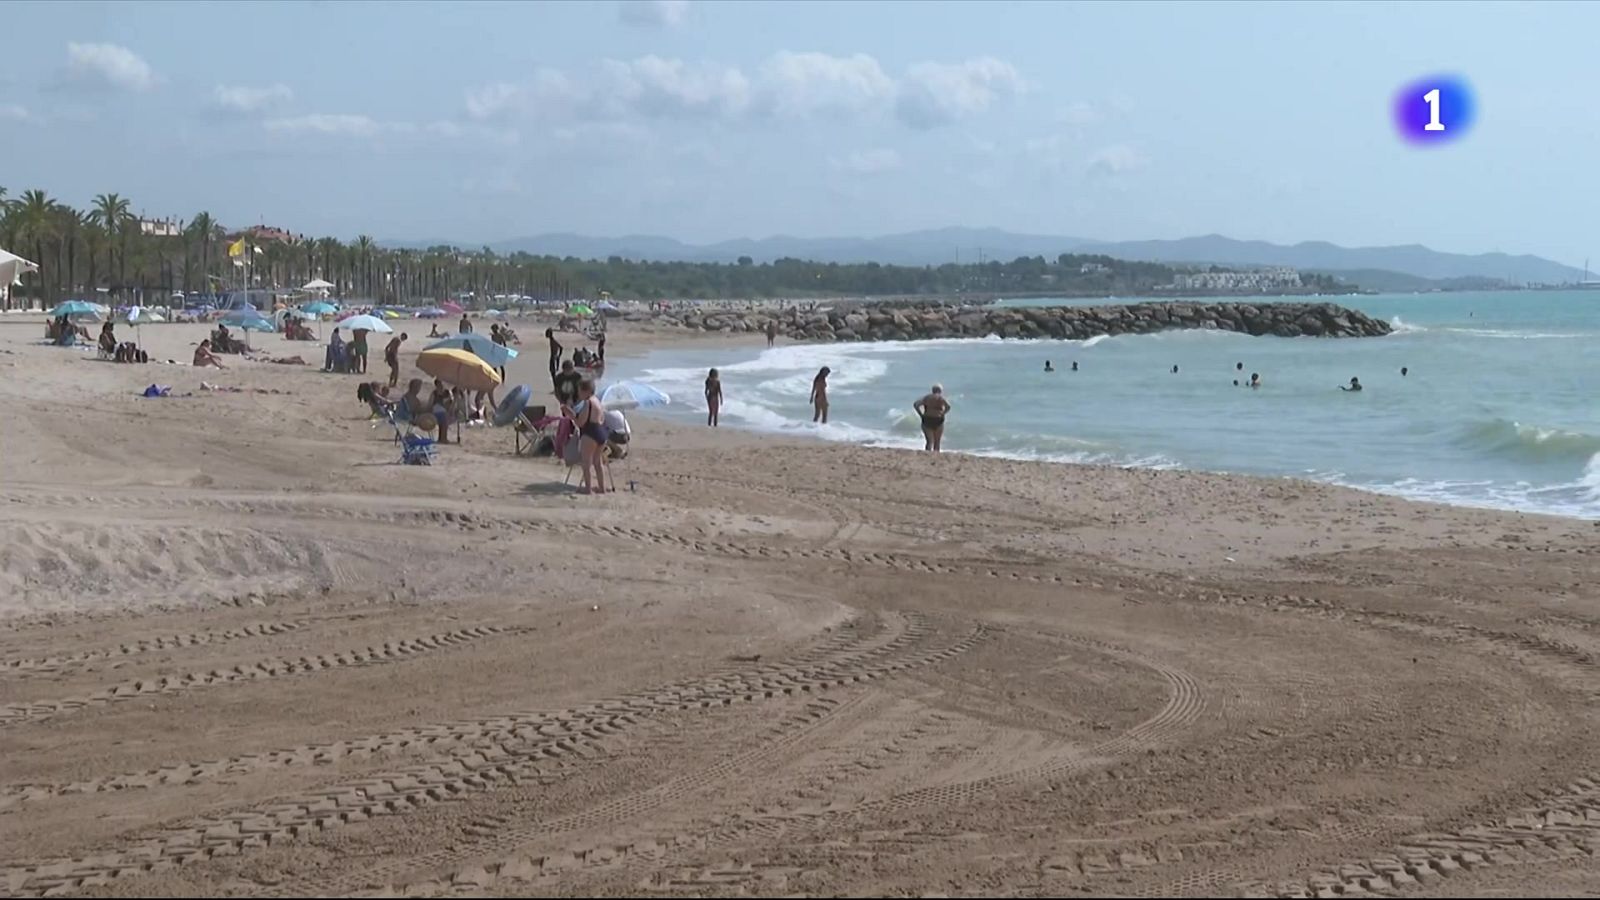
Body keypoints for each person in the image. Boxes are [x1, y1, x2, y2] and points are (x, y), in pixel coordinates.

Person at [571, 378, 610, 494]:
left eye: (579, 391)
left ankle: (588, 488)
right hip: (601, 432)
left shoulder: (588, 402)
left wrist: (571, 416)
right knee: (598, 462)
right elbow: (602, 419)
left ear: (586, 391)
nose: (578, 393)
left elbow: (581, 422)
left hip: (590, 433)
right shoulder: (598, 401)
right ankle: (601, 487)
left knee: (586, 462)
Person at [914, 384, 951, 453]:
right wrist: (943, 413)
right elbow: (948, 407)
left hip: (927, 419)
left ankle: (927, 456)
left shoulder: (927, 398)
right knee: (937, 442)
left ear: (932, 391)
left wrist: (921, 414)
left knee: (929, 441)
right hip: (938, 419)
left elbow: (916, 404)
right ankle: (936, 456)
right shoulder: (941, 398)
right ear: (940, 391)